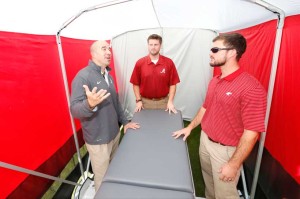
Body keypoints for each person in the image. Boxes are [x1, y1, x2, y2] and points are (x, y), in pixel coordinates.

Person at [172, 33, 267, 199]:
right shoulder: (215, 80)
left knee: (225, 195)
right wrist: (190, 127)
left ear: (232, 53)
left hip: (226, 152)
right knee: (210, 188)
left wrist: (234, 164)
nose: (210, 53)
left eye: (215, 49)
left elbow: (252, 133)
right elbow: (205, 108)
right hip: (205, 141)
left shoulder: (251, 88)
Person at [70, 40, 140, 192]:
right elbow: (74, 110)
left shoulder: (108, 75)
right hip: (98, 141)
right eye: (104, 49)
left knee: (114, 172)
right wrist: (89, 104)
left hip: (114, 134)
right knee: (102, 180)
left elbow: (115, 103)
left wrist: (125, 122)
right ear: (93, 54)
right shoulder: (83, 77)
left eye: (109, 49)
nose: (109, 52)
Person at [130, 34, 180, 114]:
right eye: (151, 44)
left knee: (164, 125)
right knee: (146, 125)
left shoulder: (169, 63)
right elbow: (135, 84)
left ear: (160, 46)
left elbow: (173, 84)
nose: (153, 47)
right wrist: (138, 100)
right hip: (145, 103)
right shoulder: (140, 63)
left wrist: (170, 102)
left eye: (156, 44)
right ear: (148, 45)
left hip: (163, 102)